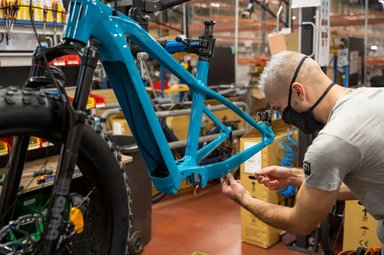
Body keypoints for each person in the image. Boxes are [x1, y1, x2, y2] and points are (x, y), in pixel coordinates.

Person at [221, 51, 384, 249]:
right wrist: (294, 176)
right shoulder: (374, 96)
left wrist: (243, 198)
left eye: (280, 109)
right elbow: (370, 184)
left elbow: (301, 223)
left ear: (299, 92)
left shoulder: (331, 142)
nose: (285, 117)